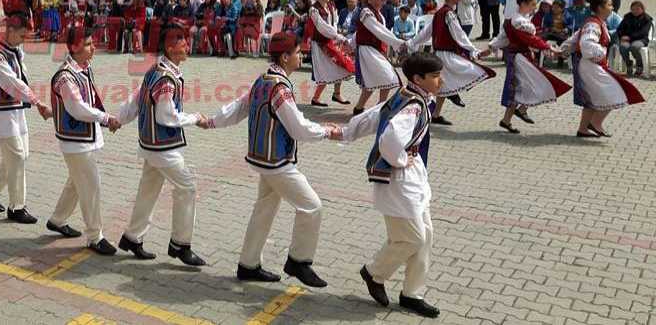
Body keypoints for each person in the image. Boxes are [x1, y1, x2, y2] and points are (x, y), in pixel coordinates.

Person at [203, 32, 332, 287]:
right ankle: (299, 260)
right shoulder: (279, 87)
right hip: (277, 162)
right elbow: (298, 128)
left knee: (264, 210)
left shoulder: (264, 79)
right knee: (312, 206)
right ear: (285, 57)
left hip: (263, 159)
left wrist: (214, 121)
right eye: (298, 52)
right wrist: (327, 131)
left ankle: (248, 264)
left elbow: (240, 106)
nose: (301, 56)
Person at [328, 52, 445, 318]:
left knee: (425, 235)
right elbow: (389, 138)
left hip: (411, 179)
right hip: (396, 180)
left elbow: (374, 116)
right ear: (419, 78)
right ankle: (373, 273)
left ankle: (412, 293)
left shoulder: (407, 95)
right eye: (436, 76)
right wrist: (402, 159)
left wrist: (347, 131)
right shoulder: (413, 105)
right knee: (412, 237)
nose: (441, 80)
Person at [116, 23, 211, 266]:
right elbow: (166, 117)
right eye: (183, 42)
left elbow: (136, 100)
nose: (188, 46)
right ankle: (180, 244)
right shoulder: (166, 78)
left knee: (148, 191)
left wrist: (119, 119)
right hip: (162, 146)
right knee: (187, 187)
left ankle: (132, 237)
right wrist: (195, 118)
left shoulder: (155, 70)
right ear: (169, 46)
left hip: (151, 144)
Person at [45, 28, 121, 255]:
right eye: (88, 44)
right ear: (75, 47)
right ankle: (94, 236)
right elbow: (77, 109)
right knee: (91, 185)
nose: (93, 47)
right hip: (74, 140)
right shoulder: (65, 76)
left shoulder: (83, 69)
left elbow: (87, 102)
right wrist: (106, 118)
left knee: (77, 182)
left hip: (82, 137)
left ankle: (57, 219)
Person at [0, 14, 52, 224]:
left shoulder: (14, 51)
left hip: (16, 110)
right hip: (2, 113)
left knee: (22, 155)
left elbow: (21, 78)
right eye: (21, 35)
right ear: (9, 31)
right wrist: (37, 102)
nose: (24, 39)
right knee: (17, 157)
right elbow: (11, 83)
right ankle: (17, 207)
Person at [482, 0, 571, 133]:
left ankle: (510, 118)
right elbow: (529, 39)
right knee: (528, 85)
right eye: (533, 5)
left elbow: (503, 38)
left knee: (521, 87)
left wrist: (490, 48)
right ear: (523, 4)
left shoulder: (517, 19)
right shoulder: (518, 21)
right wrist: (550, 48)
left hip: (520, 57)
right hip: (519, 58)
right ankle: (519, 111)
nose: (534, 8)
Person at [407, 0, 496, 125]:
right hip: (446, 56)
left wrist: (410, 43)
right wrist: (475, 51)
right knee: (468, 72)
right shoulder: (447, 13)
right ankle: (421, 112)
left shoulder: (440, 12)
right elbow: (459, 36)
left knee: (441, 86)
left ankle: (435, 114)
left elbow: (425, 33)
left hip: (440, 55)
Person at [561, 0, 645, 138]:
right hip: (590, 65)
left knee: (593, 97)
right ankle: (595, 123)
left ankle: (583, 129)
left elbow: (575, 38)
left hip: (589, 64)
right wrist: (602, 52)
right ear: (600, 8)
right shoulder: (593, 24)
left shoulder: (596, 22)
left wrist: (562, 49)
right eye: (609, 5)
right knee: (615, 92)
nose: (612, 7)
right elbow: (586, 44)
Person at [352, 0, 407, 115]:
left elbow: (382, 31)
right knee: (387, 78)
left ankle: (362, 107)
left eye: (385, 0)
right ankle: (380, 107)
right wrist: (400, 44)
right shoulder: (366, 12)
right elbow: (379, 31)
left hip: (376, 51)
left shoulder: (377, 13)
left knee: (374, 82)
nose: (384, 2)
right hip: (368, 51)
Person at [306, 0, 354, 107]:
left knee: (341, 65)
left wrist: (336, 34)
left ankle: (335, 94)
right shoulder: (314, 9)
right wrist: (338, 36)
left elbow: (334, 21)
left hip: (332, 40)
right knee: (325, 70)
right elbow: (322, 27)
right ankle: (316, 98)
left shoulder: (331, 6)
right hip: (321, 43)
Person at [615, 1, 652, 78]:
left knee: (635, 46)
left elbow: (643, 32)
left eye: (637, 9)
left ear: (642, 9)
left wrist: (630, 37)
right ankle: (629, 64)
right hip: (627, 39)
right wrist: (621, 36)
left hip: (641, 39)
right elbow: (619, 29)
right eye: (633, 9)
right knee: (623, 47)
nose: (635, 11)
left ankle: (639, 65)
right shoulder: (627, 17)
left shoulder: (647, 19)